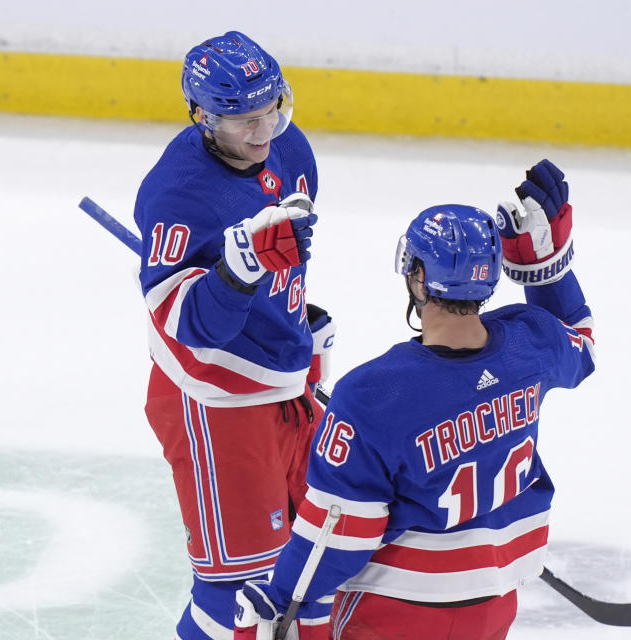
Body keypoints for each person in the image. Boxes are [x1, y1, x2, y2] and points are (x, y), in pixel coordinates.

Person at [233, 159, 596, 640]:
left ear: (419, 277)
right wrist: (542, 270)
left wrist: (281, 604)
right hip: (494, 606)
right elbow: (581, 343)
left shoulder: (371, 395)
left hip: (396, 610)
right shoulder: (532, 343)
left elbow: (336, 533)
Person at [132, 31, 335, 640]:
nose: (262, 132)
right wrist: (236, 271)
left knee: (320, 554)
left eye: (272, 109)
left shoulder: (290, 148)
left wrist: (299, 326)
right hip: (215, 402)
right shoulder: (177, 194)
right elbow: (185, 325)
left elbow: (290, 257)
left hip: (285, 380)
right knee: (241, 591)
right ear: (202, 116)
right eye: (243, 120)